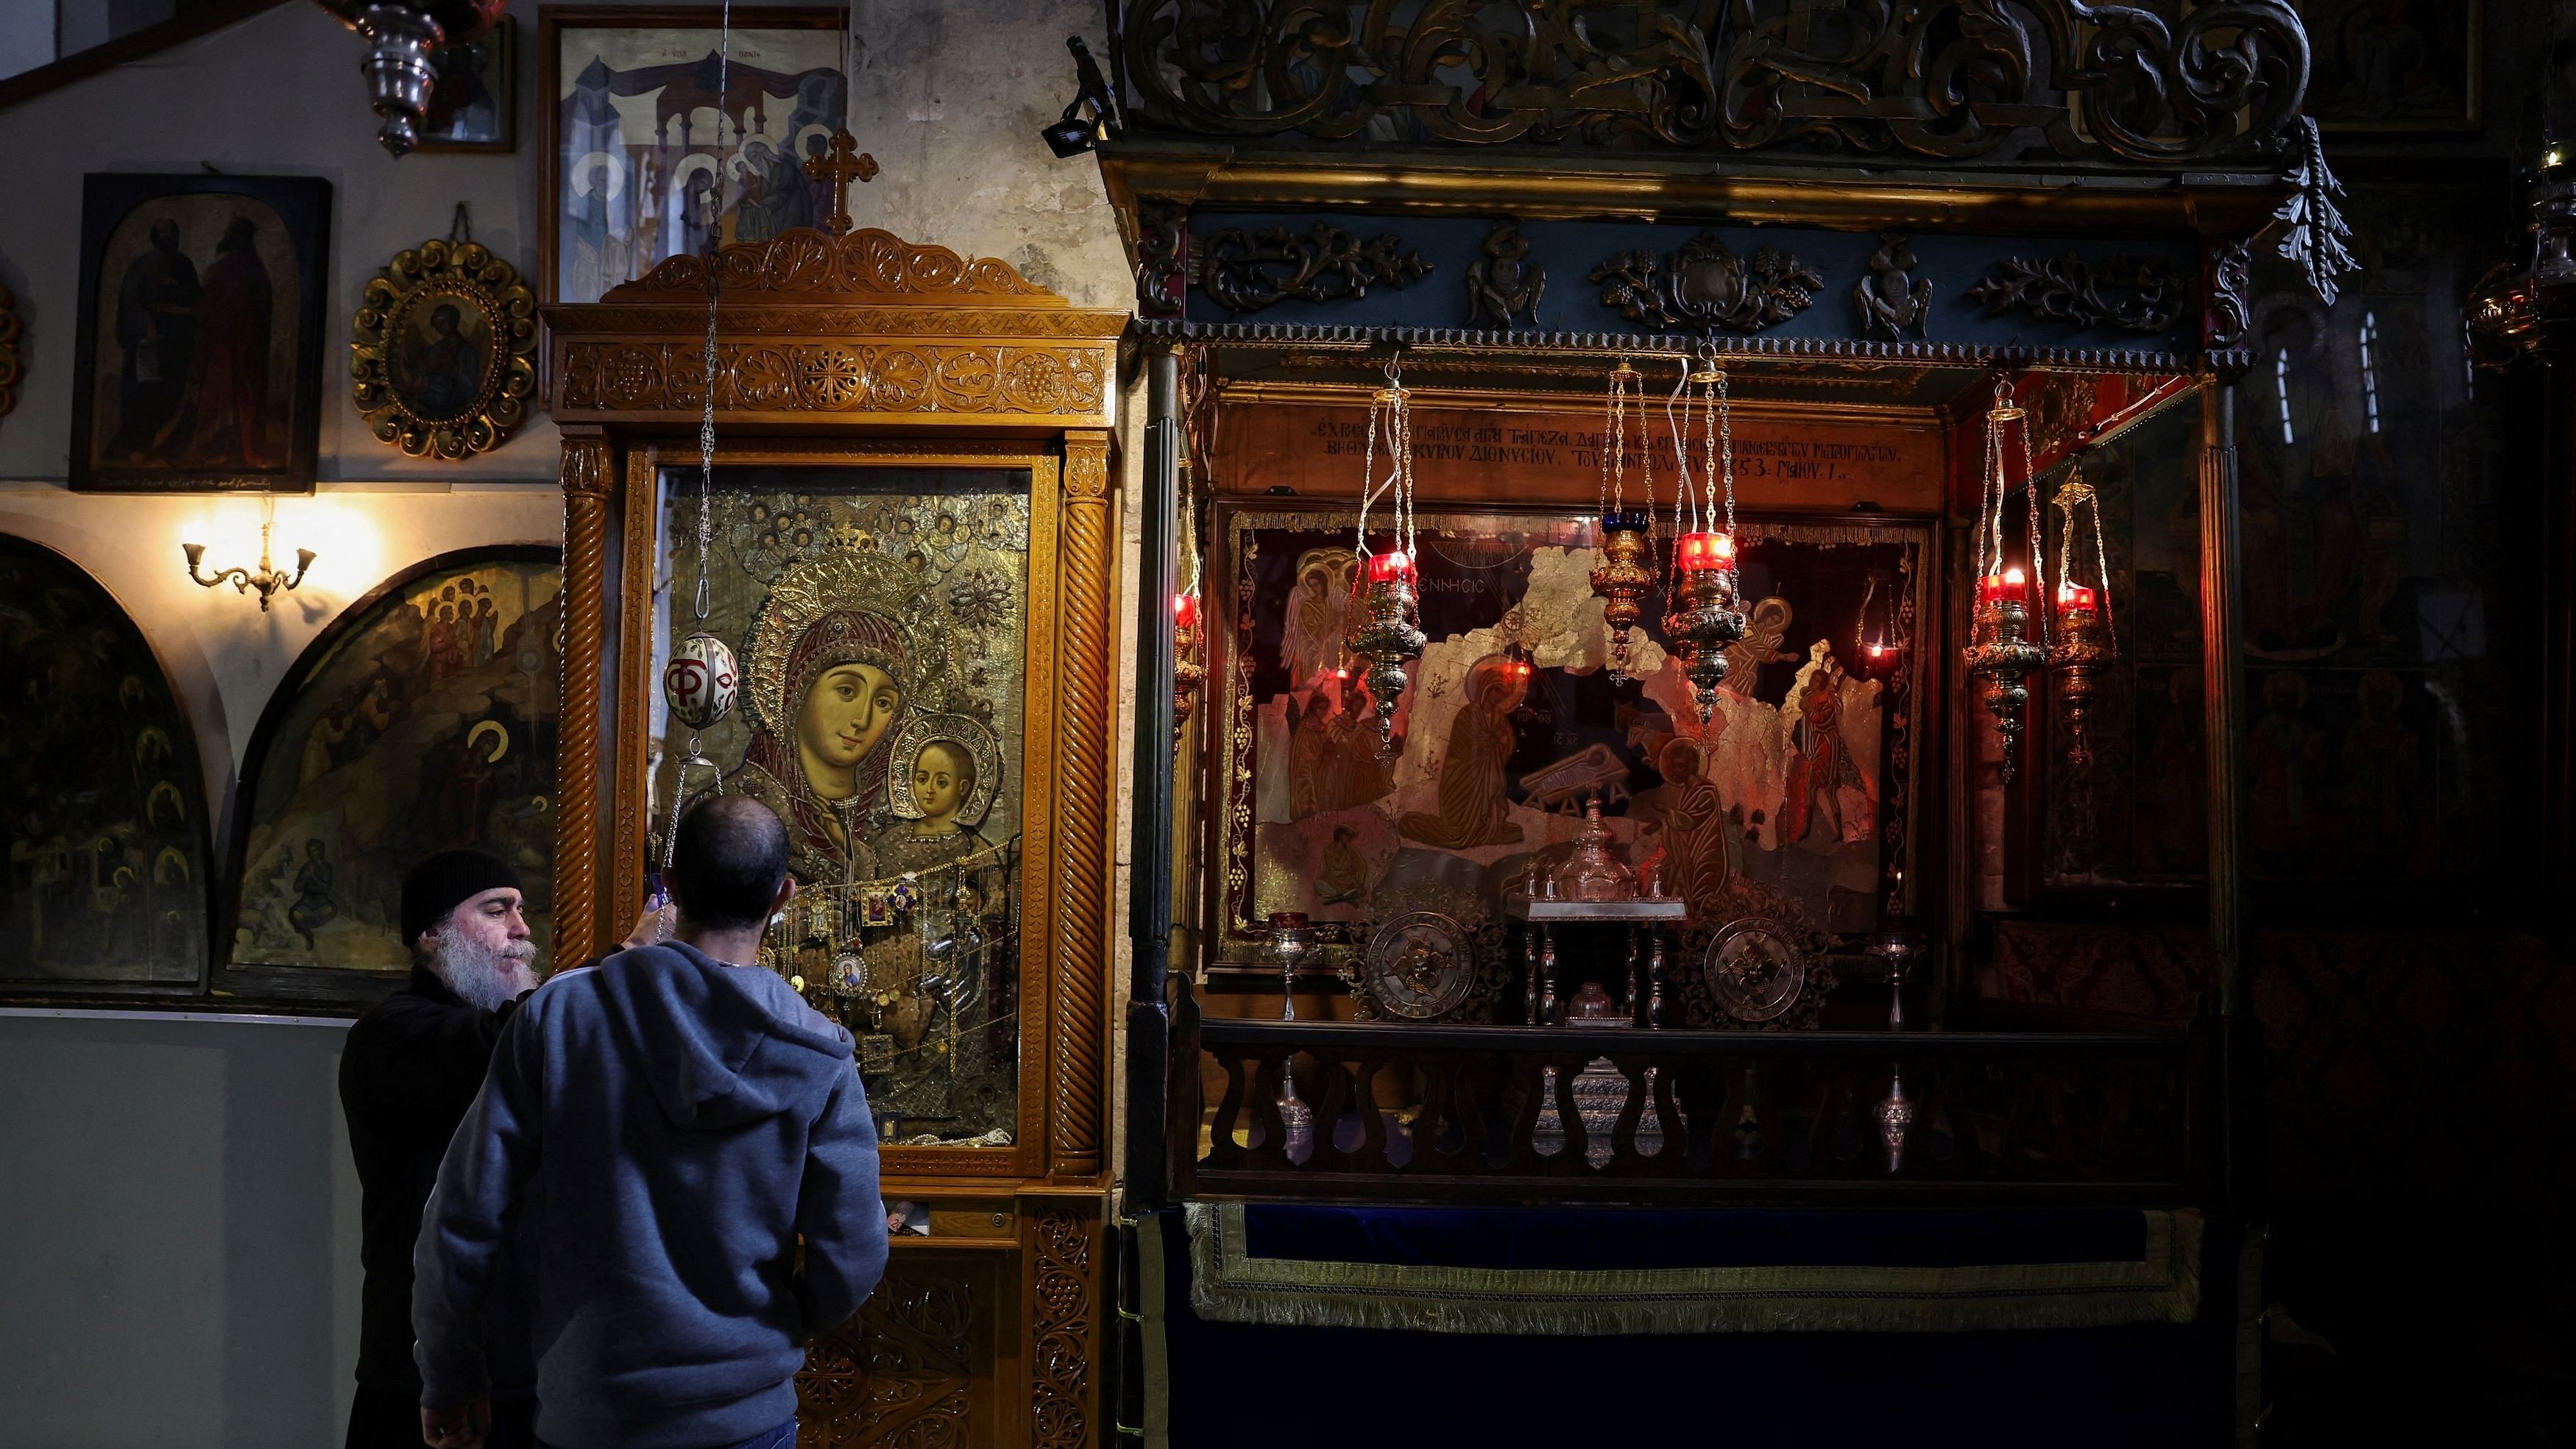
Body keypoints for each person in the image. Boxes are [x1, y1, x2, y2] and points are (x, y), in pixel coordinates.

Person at [415, 796, 888, 1449]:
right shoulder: (817, 1050)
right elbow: (855, 1253)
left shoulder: (561, 1018)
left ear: (672, 887)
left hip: (593, 1412)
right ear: (783, 895)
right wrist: (771, 1323)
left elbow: (463, 1219)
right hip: (744, 1417)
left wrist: (449, 1374)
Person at [340, 850, 543, 1449]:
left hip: (522, 1370)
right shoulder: (392, 1033)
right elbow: (510, 1042)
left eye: (521, 909)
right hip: (423, 1384)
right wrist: (627, 961)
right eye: (496, 908)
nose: (522, 927)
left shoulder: (503, 1035)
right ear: (430, 934)